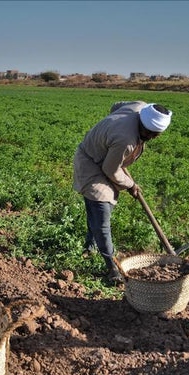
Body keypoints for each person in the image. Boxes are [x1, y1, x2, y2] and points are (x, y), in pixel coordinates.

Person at [73, 101, 173, 283]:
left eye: (157, 135)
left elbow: (114, 106)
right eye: (151, 135)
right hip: (91, 162)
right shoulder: (125, 141)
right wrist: (130, 184)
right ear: (145, 127)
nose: (154, 138)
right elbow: (110, 170)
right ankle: (112, 267)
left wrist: (109, 130)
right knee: (101, 212)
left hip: (107, 159)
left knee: (100, 213)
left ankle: (91, 245)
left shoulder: (139, 106)